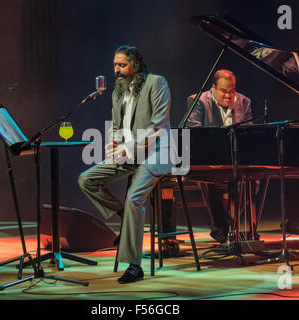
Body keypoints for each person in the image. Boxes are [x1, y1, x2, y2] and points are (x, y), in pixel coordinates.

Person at [78, 45, 171, 283]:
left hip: (156, 154)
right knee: (87, 179)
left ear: (135, 65)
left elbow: (158, 127)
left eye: (122, 65)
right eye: (115, 65)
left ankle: (134, 266)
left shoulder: (156, 83)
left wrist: (127, 147)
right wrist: (114, 141)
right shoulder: (117, 91)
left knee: (134, 199)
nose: (116, 70)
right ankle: (121, 214)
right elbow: (118, 126)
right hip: (129, 155)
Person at [185, 69, 252, 243]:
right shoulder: (197, 101)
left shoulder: (244, 102)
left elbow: (251, 132)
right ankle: (220, 227)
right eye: (223, 91)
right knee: (208, 179)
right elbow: (194, 132)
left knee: (255, 180)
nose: (228, 95)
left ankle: (229, 221)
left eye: (231, 90)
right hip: (208, 158)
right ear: (213, 88)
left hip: (236, 159)